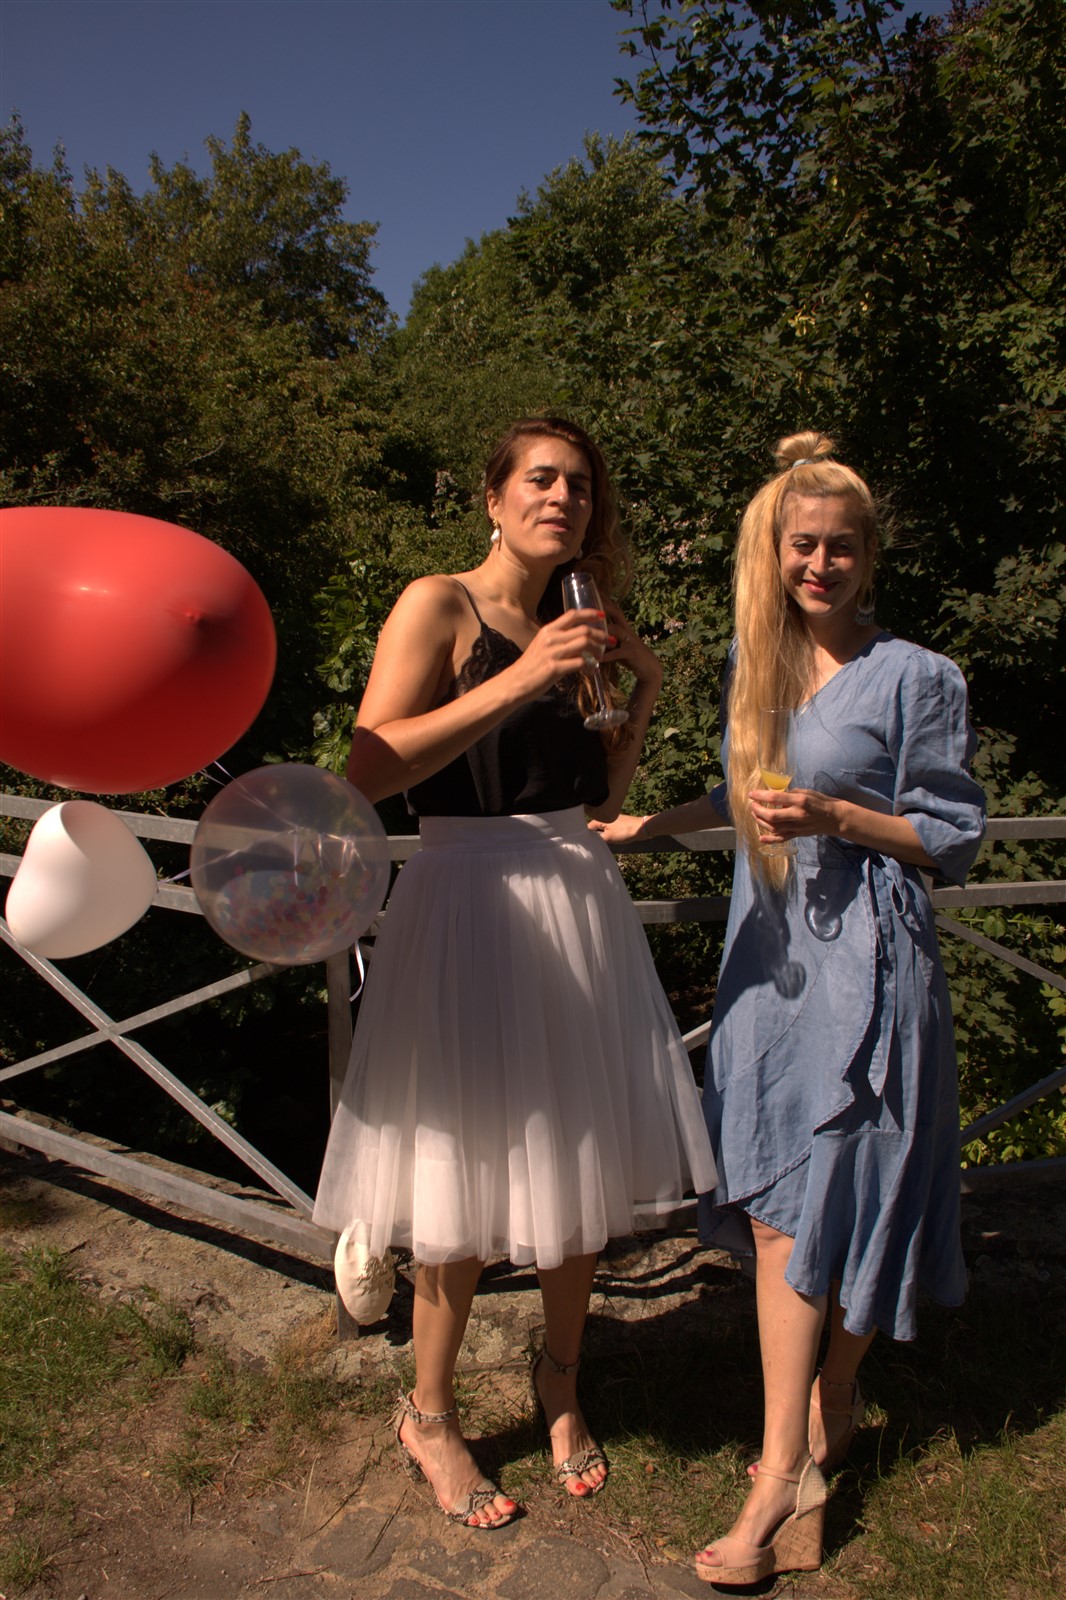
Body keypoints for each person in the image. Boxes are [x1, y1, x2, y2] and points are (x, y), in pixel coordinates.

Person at [593, 431, 985, 1585]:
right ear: (773, 552)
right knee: (775, 1210)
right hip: (768, 969)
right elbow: (744, 788)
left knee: (852, 1204)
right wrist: (648, 826)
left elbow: (951, 835)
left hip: (871, 968)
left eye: (839, 547)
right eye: (800, 544)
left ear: (869, 555)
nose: (818, 564)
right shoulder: (754, 659)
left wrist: (836, 817)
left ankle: (826, 1405)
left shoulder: (917, 676)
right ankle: (789, 1460)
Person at [313, 417, 717, 1529]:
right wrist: (523, 673)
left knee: (578, 1158)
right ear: (493, 499)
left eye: (580, 485)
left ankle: (561, 1381)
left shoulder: (578, 622)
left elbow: (592, 801)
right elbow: (368, 766)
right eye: (540, 479)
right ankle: (430, 1414)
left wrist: (636, 697)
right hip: (467, 899)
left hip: (576, 893)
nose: (563, 498)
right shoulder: (439, 604)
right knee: (461, 1168)